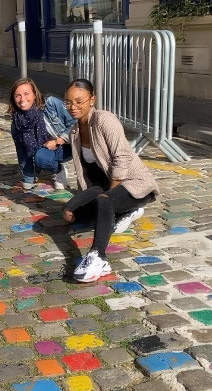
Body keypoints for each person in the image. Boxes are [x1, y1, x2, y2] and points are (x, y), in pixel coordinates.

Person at [61, 79, 160, 283]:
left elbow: (122, 156)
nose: (73, 107)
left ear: (92, 99)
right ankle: (124, 211)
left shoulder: (104, 119)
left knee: (103, 202)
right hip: (103, 187)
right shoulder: (74, 132)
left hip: (132, 183)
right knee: (71, 213)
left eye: (79, 101)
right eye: (68, 102)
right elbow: (83, 172)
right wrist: (78, 203)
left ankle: (98, 257)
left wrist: (109, 196)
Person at [9, 78, 75, 191]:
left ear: (34, 94)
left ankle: (59, 170)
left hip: (69, 145)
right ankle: (53, 165)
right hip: (46, 149)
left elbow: (75, 124)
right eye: (17, 96)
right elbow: (22, 153)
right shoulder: (17, 123)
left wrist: (59, 140)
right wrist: (28, 179)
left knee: (41, 159)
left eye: (26, 94)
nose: (22, 99)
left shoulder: (51, 104)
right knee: (41, 157)